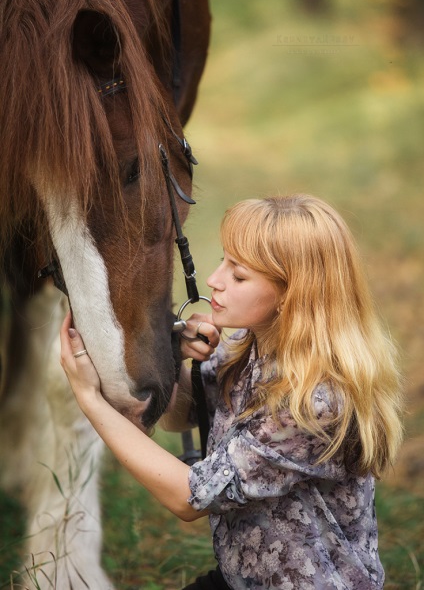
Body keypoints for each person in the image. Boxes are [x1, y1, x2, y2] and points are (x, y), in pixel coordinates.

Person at [60, 194, 403, 590]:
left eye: (238, 276)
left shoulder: (313, 401)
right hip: (243, 577)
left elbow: (189, 498)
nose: (214, 280)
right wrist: (172, 359)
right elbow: (179, 417)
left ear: (292, 294)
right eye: (224, 260)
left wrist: (89, 400)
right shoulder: (247, 344)